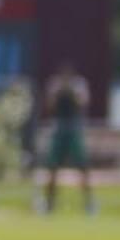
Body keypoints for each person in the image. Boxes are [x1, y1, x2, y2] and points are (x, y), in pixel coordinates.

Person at [41, 61, 94, 215]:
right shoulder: (55, 85)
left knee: (82, 168)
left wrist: (71, 92)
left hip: (74, 129)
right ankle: (49, 204)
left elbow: (83, 103)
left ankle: (89, 203)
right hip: (59, 129)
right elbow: (50, 106)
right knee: (52, 168)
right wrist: (58, 93)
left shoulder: (79, 85)